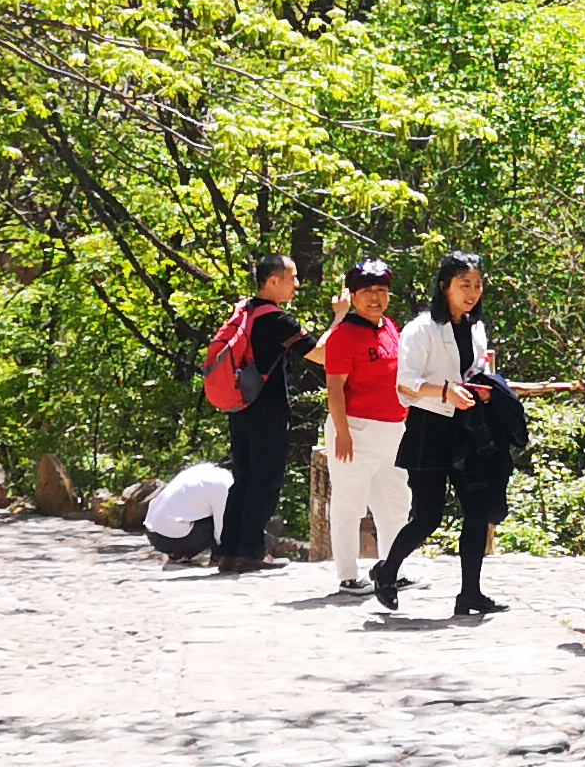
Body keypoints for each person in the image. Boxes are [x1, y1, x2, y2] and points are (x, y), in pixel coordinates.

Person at [370, 251, 511, 616]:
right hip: (429, 427)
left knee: (477, 510)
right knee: (428, 515)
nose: (472, 292)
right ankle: (386, 571)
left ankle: (470, 593)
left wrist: (482, 385)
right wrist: (446, 390)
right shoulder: (421, 329)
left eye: (478, 285)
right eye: (464, 285)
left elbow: (476, 369)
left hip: (468, 429)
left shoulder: (476, 328)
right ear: (444, 286)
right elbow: (406, 384)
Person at [211, 254, 321, 573]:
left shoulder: (244, 311)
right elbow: (321, 355)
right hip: (268, 410)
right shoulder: (277, 321)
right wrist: (340, 317)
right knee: (266, 479)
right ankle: (251, 551)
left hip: (240, 406)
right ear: (273, 281)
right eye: (292, 278)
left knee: (243, 478)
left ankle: (227, 550)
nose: (297, 285)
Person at [320, 262, 411, 596]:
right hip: (356, 429)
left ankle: (393, 569)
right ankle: (347, 575)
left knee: (395, 503)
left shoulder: (388, 327)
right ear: (353, 296)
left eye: (382, 291)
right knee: (349, 503)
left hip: (393, 429)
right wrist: (343, 432)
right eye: (368, 292)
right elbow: (334, 387)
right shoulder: (344, 334)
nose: (376, 298)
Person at [144, 460, 232, 562]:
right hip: (176, 539)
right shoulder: (225, 481)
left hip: (152, 534)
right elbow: (222, 524)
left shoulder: (202, 468)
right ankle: (215, 557)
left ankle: (177, 554)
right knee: (228, 516)